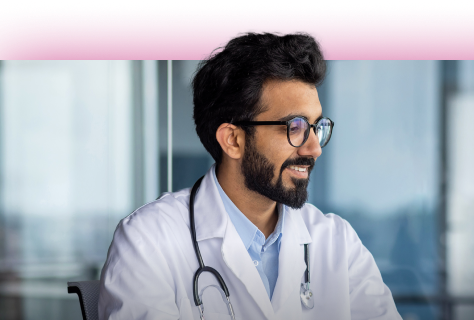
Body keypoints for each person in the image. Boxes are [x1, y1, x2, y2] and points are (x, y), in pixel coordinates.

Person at [98, 31, 401, 320]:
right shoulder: (148, 241)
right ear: (233, 140)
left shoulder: (337, 242)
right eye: (294, 127)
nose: (314, 148)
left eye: (317, 128)